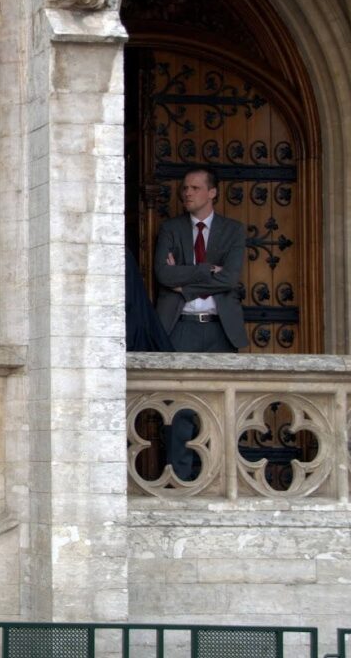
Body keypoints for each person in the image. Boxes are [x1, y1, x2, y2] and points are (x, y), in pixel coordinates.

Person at [153, 166, 247, 480]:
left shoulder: (233, 230)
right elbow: (163, 275)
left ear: (212, 192)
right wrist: (209, 271)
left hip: (221, 329)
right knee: (180, 407)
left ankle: (220, 478)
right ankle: (180, 479)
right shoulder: (171, 229)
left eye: (194, 188)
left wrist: (186, 281)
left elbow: (232, 278)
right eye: (184, 188)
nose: (187, 193)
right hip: (181, 327)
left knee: (222, 407)